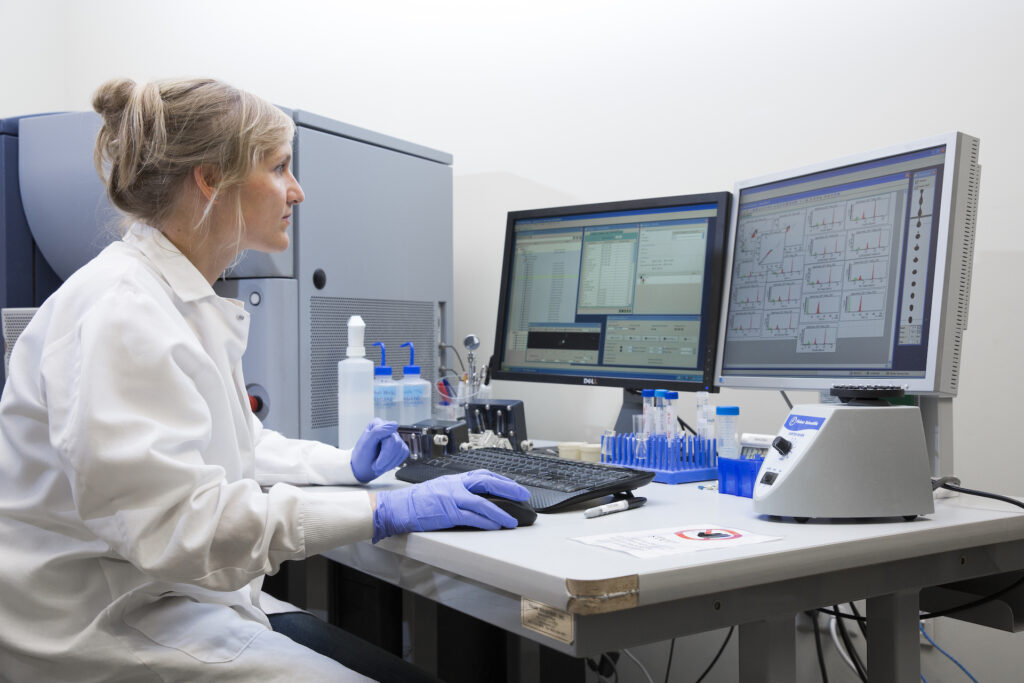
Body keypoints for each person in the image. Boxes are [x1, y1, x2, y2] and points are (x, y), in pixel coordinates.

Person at [0, 77, 530, 682]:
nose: (297, 192)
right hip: (101, 630)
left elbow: (237, 446)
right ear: (210, 180)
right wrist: (384, 513)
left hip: (165, 597)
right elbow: (180, 525)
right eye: (279, 167)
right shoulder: (120, 311)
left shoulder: (176, 295)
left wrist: (343, 468)